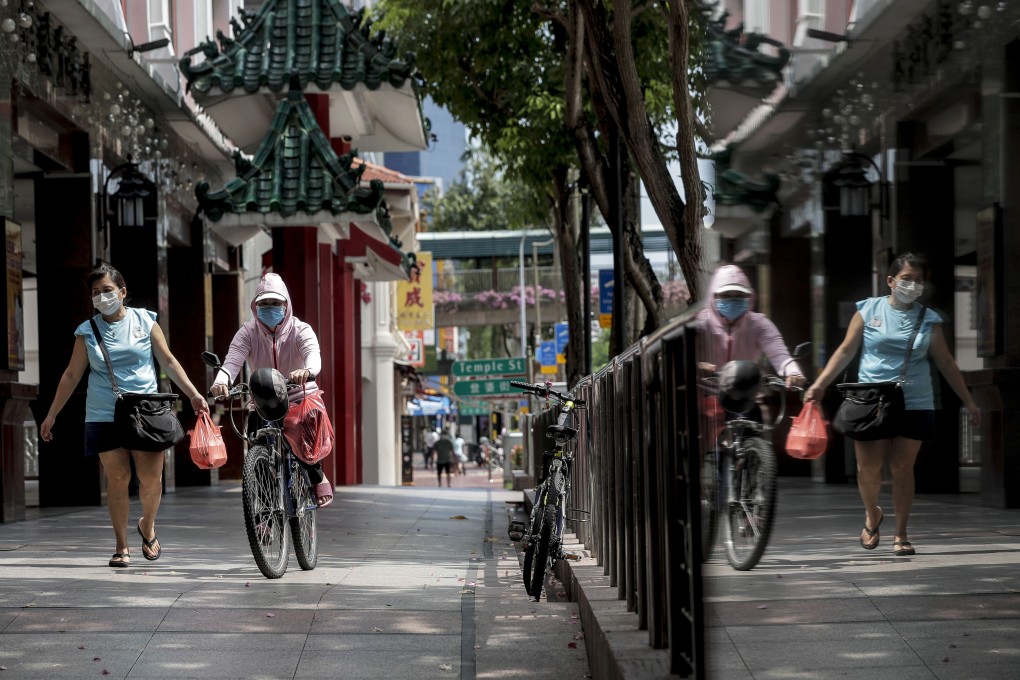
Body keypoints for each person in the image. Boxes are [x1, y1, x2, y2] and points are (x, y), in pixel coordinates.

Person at [804, 252, 980, 557]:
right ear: (891, 281)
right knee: (869, 470)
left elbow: (947, 364)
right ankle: (872, 515)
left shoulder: (929, 319)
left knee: (902, 468)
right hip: (872, 401)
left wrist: (969, 401)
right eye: (906, 278)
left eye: (918, 280)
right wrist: (820, 384)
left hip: (916, 401)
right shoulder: (868, 309)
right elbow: (846, 350)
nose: (912, 285)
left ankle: (901, 534)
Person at [39, 265, 210, 568]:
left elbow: (168, 360)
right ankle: (121, 546)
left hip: (145, 412)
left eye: (107, 290)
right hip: (103, 413)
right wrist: (52, 414)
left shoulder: (146, 321)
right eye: (95, 293)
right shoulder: (87, 331)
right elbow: (71, 374)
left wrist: (194, 394)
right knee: (118, 479)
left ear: (122, 292)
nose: (102, 297)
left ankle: (148, 525)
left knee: (150, 481)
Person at [210, 273, 333, 507]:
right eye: (263, 304)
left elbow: (313, 356)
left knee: (301, 434)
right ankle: (264, 512)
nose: (269, 308)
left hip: (299, 396)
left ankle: (316, 475)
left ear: (286, 304)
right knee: (257, 447)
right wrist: (221, 382)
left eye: (275, 303)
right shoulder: (247, 332)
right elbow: (232, 362)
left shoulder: (301, 329)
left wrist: (307, 371)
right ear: (255, 306)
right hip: (263, 399)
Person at [696, 264, 806, 388]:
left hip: (747, 396)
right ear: (713, 297)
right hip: (705, 394)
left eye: (739, 295)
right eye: (726, 295)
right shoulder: (700, 324)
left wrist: (793, 372)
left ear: (749, 297)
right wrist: (697, 366)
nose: (733, 300)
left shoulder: (759, 324)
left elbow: (779, 354)